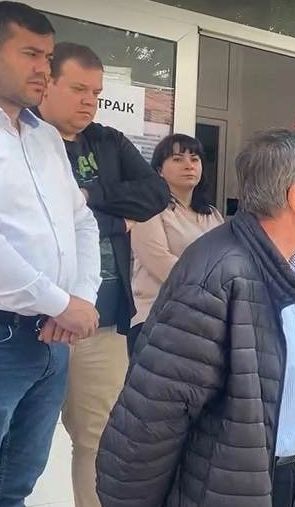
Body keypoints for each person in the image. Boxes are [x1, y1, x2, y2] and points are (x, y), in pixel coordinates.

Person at [96, 129, 295, 507]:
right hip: (233, 487)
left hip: (293, 474)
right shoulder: (217, 276)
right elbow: (152, 418)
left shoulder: (291, 265)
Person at [34, 42, 171, 507]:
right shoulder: (24, 140)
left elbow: (155, 194)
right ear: (46, 83)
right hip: (31, 321)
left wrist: (87, 199)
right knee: (16, 439)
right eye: (78, 89)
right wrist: (115, 219)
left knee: (100, 439)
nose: (89, 101)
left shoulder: (108, 141)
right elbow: (34, 219)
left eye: (95, 92)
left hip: (102, 320)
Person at [0, 3, 101, 503]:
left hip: (50, 340)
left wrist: (79, 299)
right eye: (30, 54)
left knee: (17, 483)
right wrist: (61, 303)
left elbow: (82, 221)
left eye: (48, 56)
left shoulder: (45, 138)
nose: (44, 67)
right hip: (6, 333)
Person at [128, 134, 224, 354]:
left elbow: (227, 259)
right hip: (157, 318)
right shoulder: (148, 208)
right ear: (159, 170)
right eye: (178, 159)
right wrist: (213, 284)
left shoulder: (212, 214)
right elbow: (160, 262)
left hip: (204, 322)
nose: (189, 165)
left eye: (195, 159)